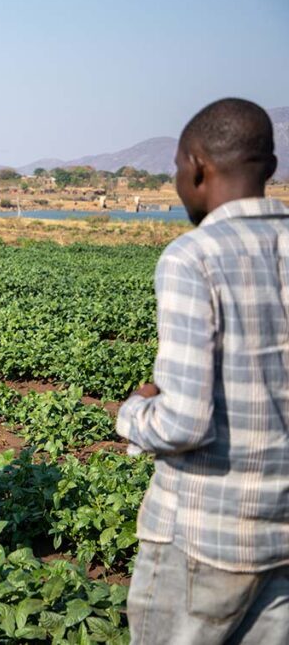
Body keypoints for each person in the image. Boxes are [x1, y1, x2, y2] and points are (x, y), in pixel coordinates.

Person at [117, 98, 287, 643]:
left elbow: (184, 423)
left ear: (195, 166)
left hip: (205, 536)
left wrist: (135, 411)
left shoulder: (195, 257)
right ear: (270, 168)